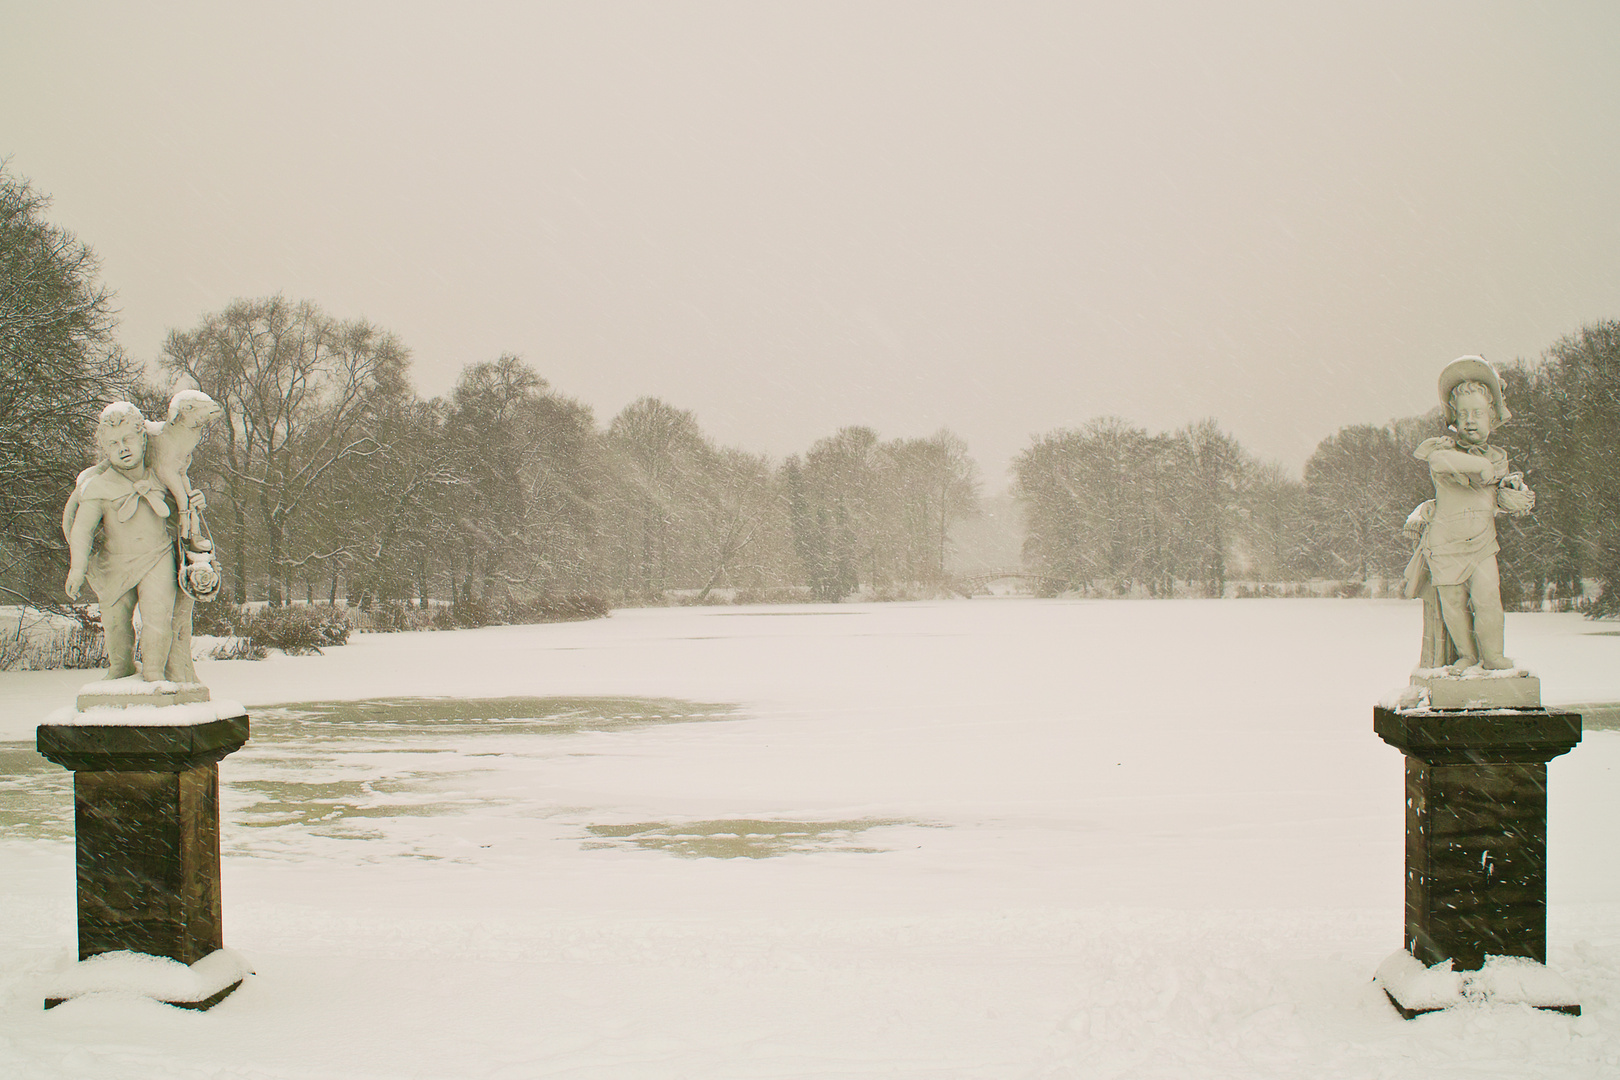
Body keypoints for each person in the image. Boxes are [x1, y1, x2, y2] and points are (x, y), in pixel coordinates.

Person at [1404, 356, 1534, 672]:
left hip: (1482, 543)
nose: (1470, 420)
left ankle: (1492, 657)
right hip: (1446, 544)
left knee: (1489, 600)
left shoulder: (1498, 459)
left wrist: (1516, 494)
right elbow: (1439, 464)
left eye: (1477, 413)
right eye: (1463, 414)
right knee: (1453, 606)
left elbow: (1502, 502)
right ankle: (1467, 656)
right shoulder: (1443, 449)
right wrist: (1483, 468)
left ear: (1493, 417)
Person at [64, 403, 183, 682]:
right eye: (113, 443)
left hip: (158, 556)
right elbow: (82, 530)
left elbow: (180, 518)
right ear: (105, 449)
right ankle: (121, 667)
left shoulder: (161, 478)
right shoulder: (100, 487)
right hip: (114, 562)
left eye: (128, 439)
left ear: (142, 438)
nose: (122, 448)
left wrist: (192, 504)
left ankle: (154, 671)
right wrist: (78, 568)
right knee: (115, 620)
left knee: (157, 615)